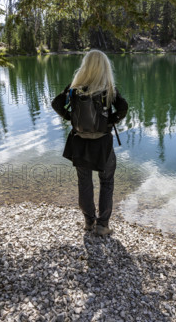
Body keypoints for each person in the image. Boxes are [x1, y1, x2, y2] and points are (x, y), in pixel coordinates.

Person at [51, 50, 128, 236]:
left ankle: (88, 221)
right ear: (104, 67)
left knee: (84, 182)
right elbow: (123, 107)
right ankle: (102, 226)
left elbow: (56, 103)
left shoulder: (74, 87)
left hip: (80, 143)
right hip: (102, 143)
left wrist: (70, 117)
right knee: (107, 182)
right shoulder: (108, 87)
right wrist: (111, 121)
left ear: (85, 66)